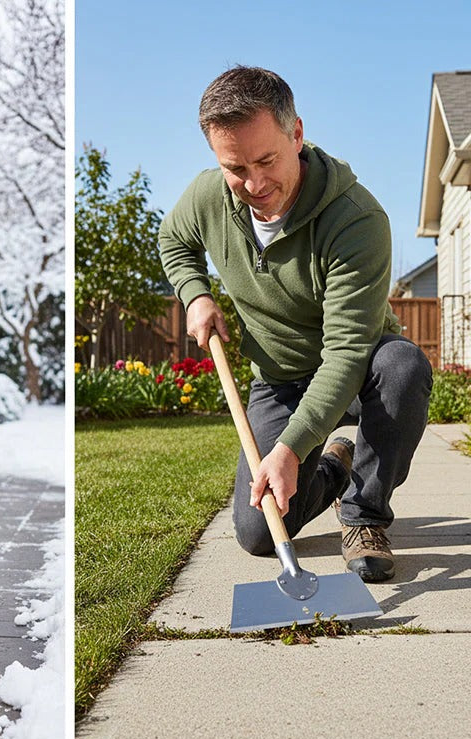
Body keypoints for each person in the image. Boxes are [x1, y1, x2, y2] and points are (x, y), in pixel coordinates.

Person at [159, 66, 432, 582]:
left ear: (297, 134)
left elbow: (348, 354)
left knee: (403, 366)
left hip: (358, 371)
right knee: (257, 533)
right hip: (280, 381)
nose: (255, 183)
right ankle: (335, 464)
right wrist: (195, 294)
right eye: (236, 168)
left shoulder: (356, 219)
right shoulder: (208, 197)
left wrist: (288, 449)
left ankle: (364, 515)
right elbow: (174, 240)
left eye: (267, 160)